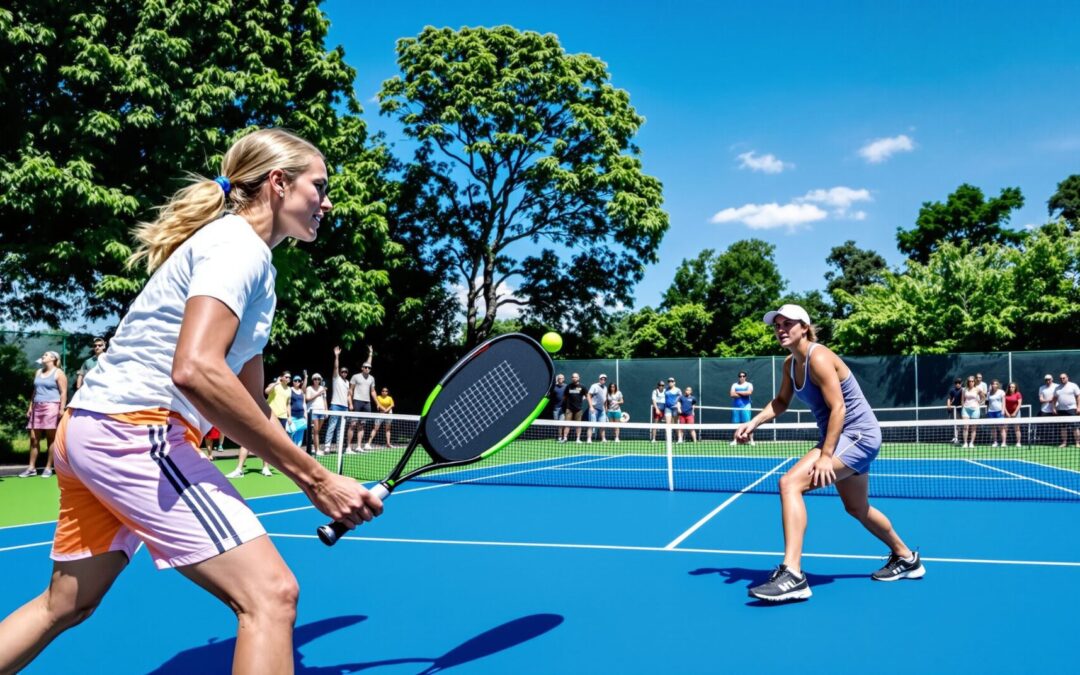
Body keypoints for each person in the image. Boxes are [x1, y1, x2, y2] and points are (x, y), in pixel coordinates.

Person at [0, 129, 382, 674]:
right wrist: (319, 480)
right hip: (136, 432)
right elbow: (196, 368)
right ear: (278, 184)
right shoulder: (237, 248)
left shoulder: (254, 267)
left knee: (65, 604)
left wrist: (315, 474)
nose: (327, 201)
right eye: (318, 187)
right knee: (271, 596)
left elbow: (249, 402)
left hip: (93, 428)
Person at [739, 304, 923, 602]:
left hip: (857, 435)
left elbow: (839, 407)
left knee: (789, 484)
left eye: (788, 323)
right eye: (777, 325)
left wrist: (826, 456)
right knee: (857, 508)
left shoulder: (820, 357)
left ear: (804, 327)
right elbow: (781, 402)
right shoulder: (789, 364)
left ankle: (793, 574)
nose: (781, 329)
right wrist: (754, 422)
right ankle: (906, 558)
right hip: (842, 438)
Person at [20, 351, 68, 478]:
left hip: (52, 406)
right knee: (33, 438)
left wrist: (61, 409)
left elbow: (63, 392)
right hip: (37, 406)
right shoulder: (38, 372)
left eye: (46, 355)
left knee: (51, 439)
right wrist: (30, 406)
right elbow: (35, 391)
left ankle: (48, 468)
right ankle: (31, 468)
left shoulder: (59, 373)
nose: (43, 356)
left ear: (53, 358)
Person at [346, 346, 374, 452]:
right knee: (353, 424)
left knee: (362, 425)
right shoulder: (355, 376)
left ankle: (358, 446)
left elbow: (372, 391)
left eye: (369, 368)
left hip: (367, 403)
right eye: (365, 367)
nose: (367, 369)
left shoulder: (371, 378)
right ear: (362, 368)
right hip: (357, 401)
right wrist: (350, 403)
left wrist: (371, 353)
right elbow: (350, 390)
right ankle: (348, 447)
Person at [323, 347, 350, 449]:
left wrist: (349, 404)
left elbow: (348, 395)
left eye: (345, 372)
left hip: (345, 407)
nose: (343, 373)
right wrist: (337, 356)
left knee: (341, 428)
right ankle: (327, 446)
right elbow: (335, 367)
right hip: (335, 406)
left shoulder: (347, 382)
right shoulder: (336, 378)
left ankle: (339, 446)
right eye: (342, 371)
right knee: (332, 426)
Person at [1053, 372, 1080, 448]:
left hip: (1072, 409)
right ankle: (1064, 443)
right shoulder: (1057, 388)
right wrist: (1054, 408)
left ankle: (1077, 443)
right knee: (1063, 427)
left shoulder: (1073, 386)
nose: (1062, 379)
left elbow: (1078, 397)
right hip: (1061, 410)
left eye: (1063, 378)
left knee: (1075, 427)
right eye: (1061, 378)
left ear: (1067, 378)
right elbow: (1054, 399)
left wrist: (1078, 407)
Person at [730, 372, 754, 446]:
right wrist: (744, 393)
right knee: (736, 425)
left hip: (746, 407)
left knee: (748, 424)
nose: (742, 377)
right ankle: (735, 440)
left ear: (745, 377)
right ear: (739, 377)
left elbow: (749, 392)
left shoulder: (749, 384)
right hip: (736, 407)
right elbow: (732, 394)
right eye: (740, 376)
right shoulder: (734, 385)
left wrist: (737, 392)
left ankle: (751, 440)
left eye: (743, 376)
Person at [306, 373, 328, 455]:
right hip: (313, 411)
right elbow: (307, 399)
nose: (317, 380)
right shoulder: (309, 388)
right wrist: (318, 394)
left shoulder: (322, 388)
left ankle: (312, 446)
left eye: (318, 379)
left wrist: (326, 411)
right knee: (315, 432)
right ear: (312, 380)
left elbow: (324, 400)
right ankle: (317, 450)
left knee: (316, 432)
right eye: (315, 379)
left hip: (322, 411)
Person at [960, 375, 984, 448]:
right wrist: (963, 406)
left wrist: (979, 403)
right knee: (965, 427)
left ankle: (971, 443)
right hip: (966, 409)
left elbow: (983, 397)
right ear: (968, 382)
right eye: (969, 381)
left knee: (973, 428)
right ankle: (965, 443)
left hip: (975, 410)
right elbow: (962, 400)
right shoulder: (964, 389)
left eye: (972, 381)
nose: (971, 382)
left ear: (974, 382)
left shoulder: (978, 389)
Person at [562, 373, 586, 443]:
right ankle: (565, 438)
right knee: (567, 424)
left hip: (578, 409)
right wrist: (564, 405)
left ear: (578, 378)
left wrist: (584, 399)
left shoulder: (582, 386)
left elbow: (587, 395)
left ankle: (578, 439)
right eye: (573, 377)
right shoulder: (568, 386)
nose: (574, 378)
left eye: (575, 377)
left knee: (578, 425)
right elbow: (564, 397)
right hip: (569, 409)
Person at [287, 373, 308, 447]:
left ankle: (296, 455)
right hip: (293, 417)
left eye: (299, 381)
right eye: (295, 380)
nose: (297, 382)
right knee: (291, 436)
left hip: (301, 417)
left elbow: (304, 404)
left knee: (299, 440)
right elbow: (288, 404)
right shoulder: (289, 390)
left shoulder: (302, 392)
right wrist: (289, 417)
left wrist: (305, 414)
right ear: (293, 381)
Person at [586, 374, 608, 443]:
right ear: (599, 379)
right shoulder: (594, 386)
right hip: (594, 409)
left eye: (604, 379)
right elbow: (588, 396)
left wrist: (605, 407)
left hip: (602, 410)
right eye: (602, 379)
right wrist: (591, 407)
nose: (603, 380)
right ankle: (589, 439)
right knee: (591, 425)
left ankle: (603, 439)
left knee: (603, 425)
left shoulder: (605, 388)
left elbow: (605, 398)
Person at [985, 379, 1006, 447]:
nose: (995, 385)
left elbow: (1003, 402)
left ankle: (1003, 442)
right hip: (991, 412)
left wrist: (1003, 410)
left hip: (999, 411)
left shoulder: (1001, 392)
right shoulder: (989, 393)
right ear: (991, 385)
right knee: (993, 428)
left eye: (996, 384)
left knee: (1001, 428)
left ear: (998, 385)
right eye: (993, 384)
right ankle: (995, 442)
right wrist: (987, 410)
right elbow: (987, 403)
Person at [1038, 374, 1057, 445]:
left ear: (1052, 379)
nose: (1048, 381)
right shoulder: (1041, 388)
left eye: (1049, 379)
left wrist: (1053, 402)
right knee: (1044, 427)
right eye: (1046, 380)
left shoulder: (1056, 386)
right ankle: (1045, 441)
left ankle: (1055, 441)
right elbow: (1041, 400)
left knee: (1056, 426)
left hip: (1055, 409)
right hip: (1044, 410)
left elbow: (1057, 397)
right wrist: (1049, 400)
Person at [1003, 382, 1023, 448]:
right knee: (1005, 428)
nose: (1011, 388)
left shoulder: (1018, 394)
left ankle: (1018, 443)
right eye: (1010, 387)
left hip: (1016, 413)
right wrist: (1007, 413)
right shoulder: (1005, 394)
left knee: (1017, 428)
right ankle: (1004, 443)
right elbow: (1004, 405)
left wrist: (1014, 413)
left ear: (1015, 388)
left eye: (1013, 387)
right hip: (1007, 413)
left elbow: (1019, 404)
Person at [945, 378, 964, 445]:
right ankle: (956, 438)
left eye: (959, 383)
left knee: (962, 424)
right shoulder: (952, 390)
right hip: (955, 409)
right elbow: (949, 398)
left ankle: (960, 438)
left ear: (961, 383)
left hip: (963, 409)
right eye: (956, 383)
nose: (957, 384)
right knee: (956, 424)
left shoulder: (963, 390)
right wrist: (948, 405)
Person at [551, 374, 567, 442]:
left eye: (562, 378)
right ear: (557, 379)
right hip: (555, 409)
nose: (561, 379)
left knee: (561, 424)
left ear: (564, 379)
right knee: (556, 424)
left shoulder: (566, 387)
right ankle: (558, 436)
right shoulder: (554, 387)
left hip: (563, 409)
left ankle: (561, 437)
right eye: (559, 378)